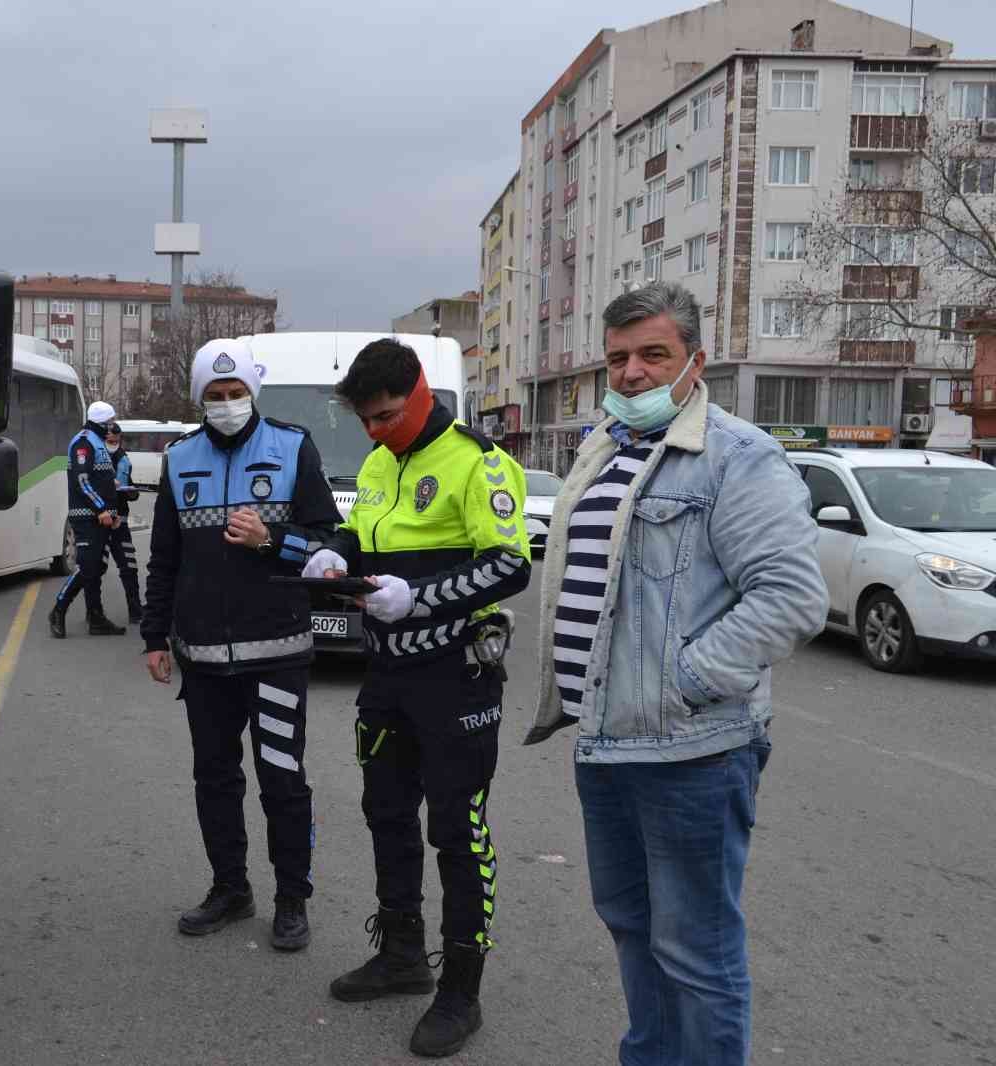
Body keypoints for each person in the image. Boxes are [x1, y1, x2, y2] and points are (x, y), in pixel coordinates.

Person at [523, 283, 826, 1066]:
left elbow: (791, 598)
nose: (630, 373)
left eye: (652, 354)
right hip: (604, 741)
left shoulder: (739, 456)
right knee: (630, 926)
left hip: (693, 750)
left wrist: (682, 681)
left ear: (696, 360)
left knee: (697, 953)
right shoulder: (603, 450)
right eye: (617, 357)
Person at [303, 338, 532, 1059]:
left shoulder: (479, 461)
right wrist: (339, 551)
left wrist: (424, 597)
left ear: (423, 391)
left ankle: (460, 992)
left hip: (456, 677)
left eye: (388, 416)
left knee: (458, 834)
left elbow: (509, 564)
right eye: (365, 420)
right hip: (387, 677)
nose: (376, 431)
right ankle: (401, 954)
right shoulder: (376, 464)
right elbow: (367, 540)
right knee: (386, 814)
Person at [142, 337, 340, 951]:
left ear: (252, 393)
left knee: (282, 778)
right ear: (200, 398)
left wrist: (270, 538)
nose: (226, 403)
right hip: (202, 659)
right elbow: (164, 558)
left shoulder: (292, 445)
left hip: (276, 652)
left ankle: (291, 898)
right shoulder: (179, 459)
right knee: (215, 779)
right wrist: (155, 636)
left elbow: (327, 542)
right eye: (215, 395)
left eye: (236, 394)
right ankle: (231, 888)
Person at [49, 400, 128, 639]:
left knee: (96, 568)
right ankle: (58, 610)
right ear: (100, 422)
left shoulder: (97, 443)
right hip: (87, 517)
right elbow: (82, 481)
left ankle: (96, 617)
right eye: (109, 422)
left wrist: (112, 510)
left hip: (101, 517)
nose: (112, 427)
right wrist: (102, 509)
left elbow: (99, 479)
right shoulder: (84, 442)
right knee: (88, 567)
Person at [104, 421, 143, 623]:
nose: (113, 443)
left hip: (121, 521)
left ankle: (136, 612)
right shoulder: (96, 456)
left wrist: (132, 491)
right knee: (92, 569)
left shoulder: (123, 457)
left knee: (129, 566)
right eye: (110, 440)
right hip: (100, 521)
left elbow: (129, 484)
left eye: (116, 440)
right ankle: (93, 613)